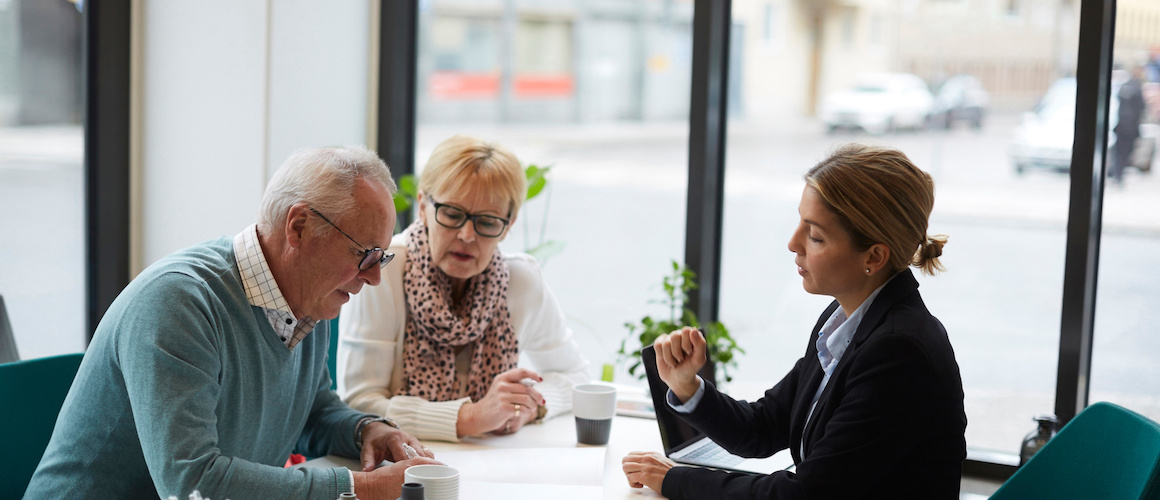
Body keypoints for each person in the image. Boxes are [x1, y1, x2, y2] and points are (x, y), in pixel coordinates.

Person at [25, 146, 438, 500]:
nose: (374, 276)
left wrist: (366, 430)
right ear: (299, 227)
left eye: (381, 258)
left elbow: (309, 410)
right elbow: (191, 484)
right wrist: (359, 489)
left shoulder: (312, 296)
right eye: (365, 255)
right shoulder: (178, 302)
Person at [622, 144, 967, 499]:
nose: (793, 243)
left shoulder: (899, 352)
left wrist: (674, 480)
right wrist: (686, 386)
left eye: (815, 236)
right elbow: (761, 427)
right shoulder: (843, 323)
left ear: (874, 256)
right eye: (800, 223)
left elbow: (803, 495)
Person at [338, 135, 589, 442]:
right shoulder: (386, 270)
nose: (467, 235)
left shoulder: (521, 280)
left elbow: (577, 378)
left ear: (508, 226)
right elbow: (359, 403)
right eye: (452, 214)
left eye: (486, 222)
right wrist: (472, 417)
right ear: (422, 207)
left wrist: (529, 407)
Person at [1110, 65, 1147, 186]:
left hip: (1122, 126)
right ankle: (1118, 175)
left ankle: (1117, 174)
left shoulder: (1125, 86)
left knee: (1120, 152)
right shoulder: (1136, 87)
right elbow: (1141, 107)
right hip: (1129, 127)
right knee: (1124, 152)